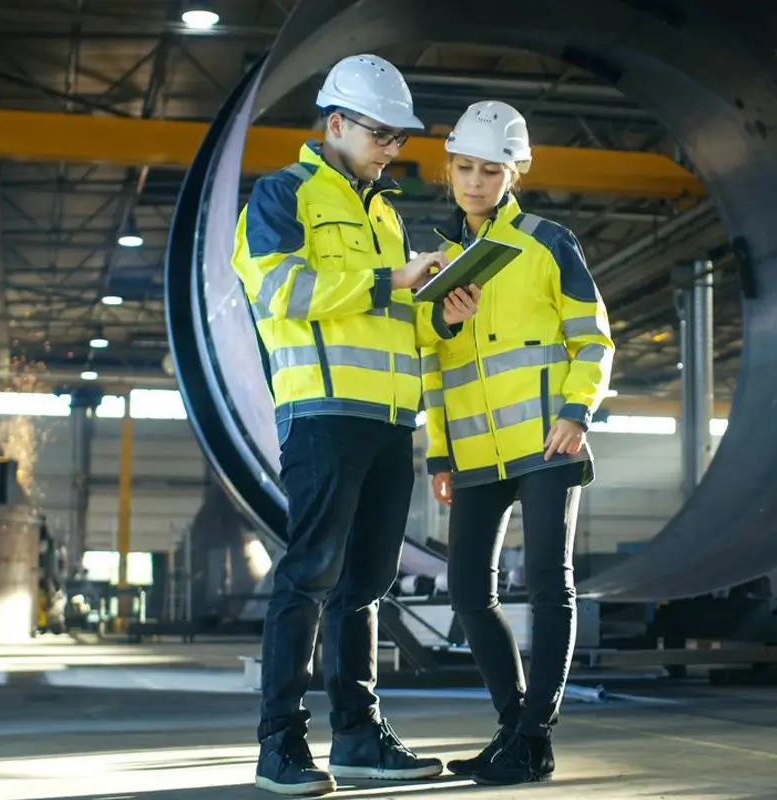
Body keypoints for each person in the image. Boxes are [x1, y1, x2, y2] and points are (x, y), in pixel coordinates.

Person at [231, 54, 480, 796]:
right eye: (380, 133)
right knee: (309, 577)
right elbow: (281, 289)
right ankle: (279, 746)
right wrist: (392, 278)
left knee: (366, 587)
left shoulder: (387, 215)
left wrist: (440, 312)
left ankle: (358, 738)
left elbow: (395, 326)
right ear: (334, 123)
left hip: (388, 423)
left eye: (399, 138)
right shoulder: (285, 195)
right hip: (323, 416)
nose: (391, 148)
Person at [420, 100, 616, 785]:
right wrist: (439, 453)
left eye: (491, 170)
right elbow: (433, 367)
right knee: (469, 589)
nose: (475, 182)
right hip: (474, 453)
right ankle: (512, 728)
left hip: (546, 442)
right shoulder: (437, 260)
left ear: (517, 170)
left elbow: (593, 338)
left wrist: (577, 411)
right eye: (465, 168)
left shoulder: (548, 241)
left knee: (548, 587)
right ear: (449, 168)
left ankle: (534, 736)